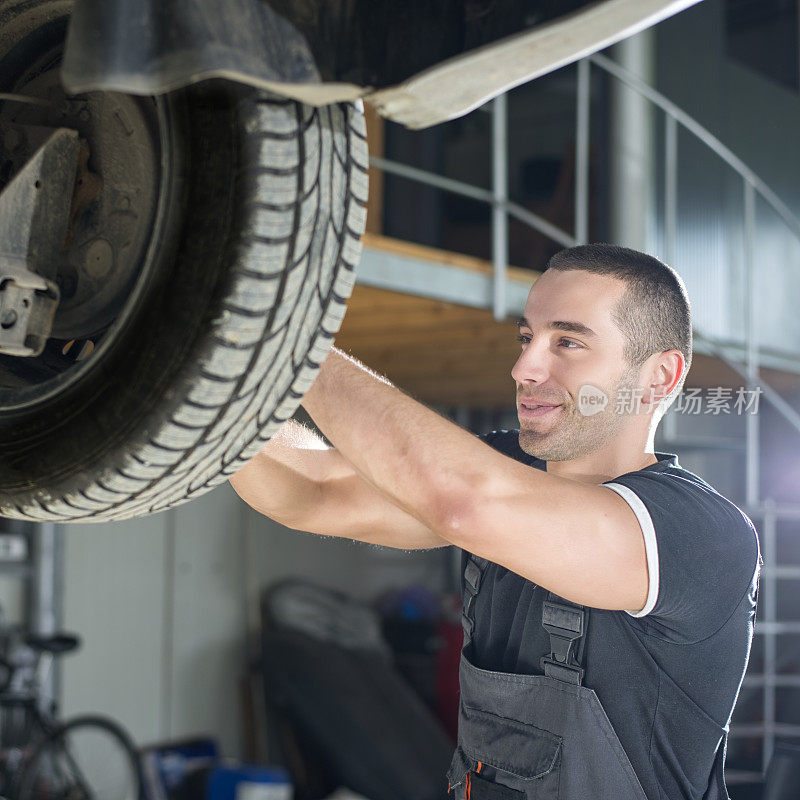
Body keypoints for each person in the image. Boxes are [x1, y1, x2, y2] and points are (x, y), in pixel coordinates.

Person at [230, 243, 761, 800]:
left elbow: (464, 503)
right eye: (527, 338)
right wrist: (211, 377)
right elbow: (310, 490)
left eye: (568, 341)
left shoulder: (697, 533)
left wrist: (290, 334)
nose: (524, 367)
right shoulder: (504, 471)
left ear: (659, 376)